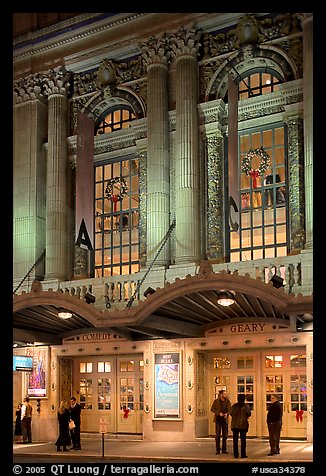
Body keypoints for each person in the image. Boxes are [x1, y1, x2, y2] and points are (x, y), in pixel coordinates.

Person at [210, 389, 232, 455]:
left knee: (225, 435)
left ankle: (224, 449)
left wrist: (227, 414)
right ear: (221, 395)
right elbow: (212, 409)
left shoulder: (227, 401)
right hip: (218, 419)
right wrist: (218, 413)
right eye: (224, 394)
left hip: (224, 420)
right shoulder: (216, 401)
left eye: (226, 394)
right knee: (217, 435)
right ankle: (217, 449)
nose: (225, 395)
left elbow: (230, 409)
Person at [230, 394, 251, 459]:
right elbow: (249, 413)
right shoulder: (246, 406)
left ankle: (235, 454)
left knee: (235, 440)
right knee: (243, 440)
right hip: (243, 425)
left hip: (234, 425)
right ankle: (243, 454)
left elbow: (231, 413)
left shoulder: (234, 406)